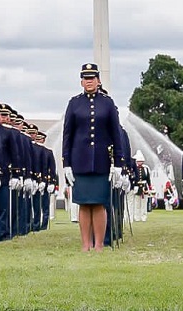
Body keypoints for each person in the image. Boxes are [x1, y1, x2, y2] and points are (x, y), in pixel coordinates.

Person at [61, 62, 123, 252]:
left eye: (92, 78)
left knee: (98, 204)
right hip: (79, 161)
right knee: (83, 204)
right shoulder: (74, 103)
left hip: (102, 162)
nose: (89, 82)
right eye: (85, 79)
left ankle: (99, 245)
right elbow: (67, 135)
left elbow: (116, 134)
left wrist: (119, 163)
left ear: (98, 80)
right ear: (81, 82)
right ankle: (85, 244)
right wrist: (66, 163)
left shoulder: (108, 103)